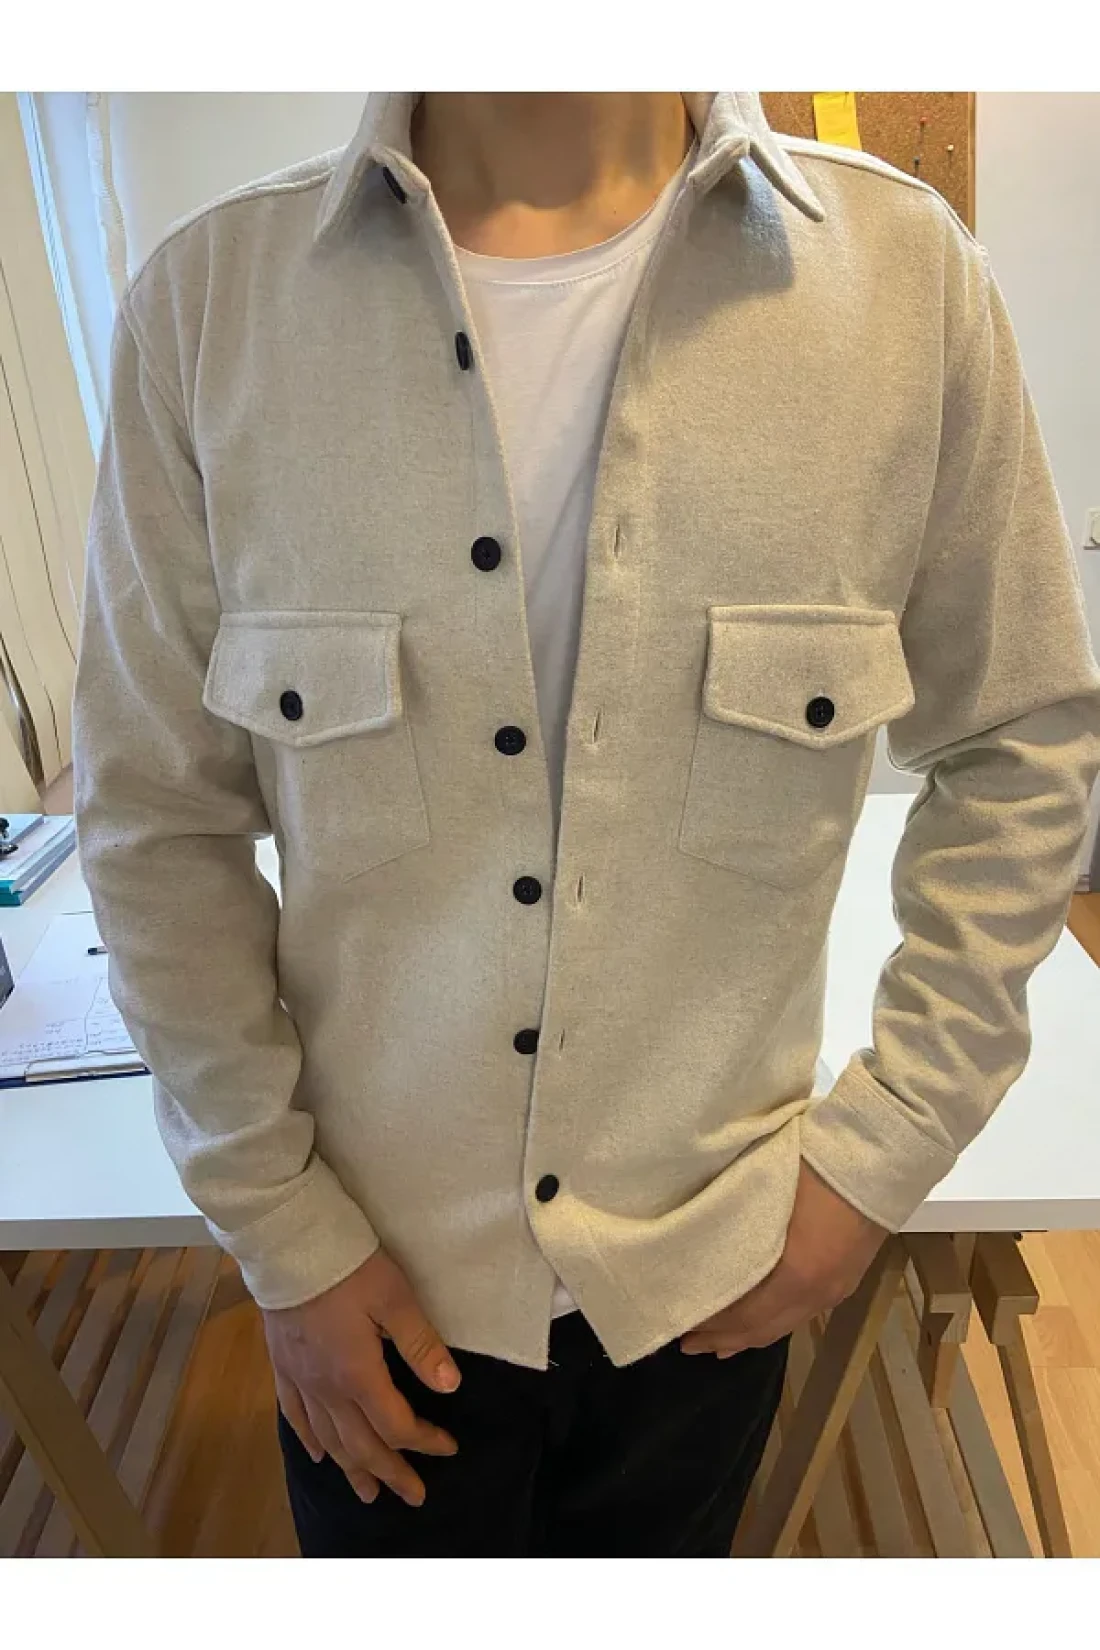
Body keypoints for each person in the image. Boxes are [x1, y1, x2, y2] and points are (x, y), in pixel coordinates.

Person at [72, 91, 1100, 1558]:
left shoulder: (906, 284)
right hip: (372, 1283)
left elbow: (1022, 741)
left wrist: (880, 1150)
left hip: (713, 1273)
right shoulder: (209, 306)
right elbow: (154, 818)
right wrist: (281, 1229)